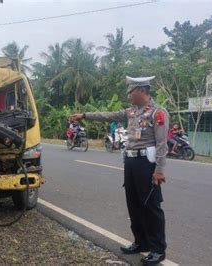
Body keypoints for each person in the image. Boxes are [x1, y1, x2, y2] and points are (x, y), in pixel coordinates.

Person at [70, 76, 168, 265]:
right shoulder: (131, 112)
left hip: (146, 164)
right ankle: (141, 242)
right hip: (130, 163)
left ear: (141, 90)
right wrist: (84, 115)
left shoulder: (157, 113)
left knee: (151, 207)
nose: (129, 95)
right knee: (134, 205)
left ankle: (158, 249)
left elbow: (162, 144)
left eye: (130, 91)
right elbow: (107, 115)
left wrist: (159, 170)